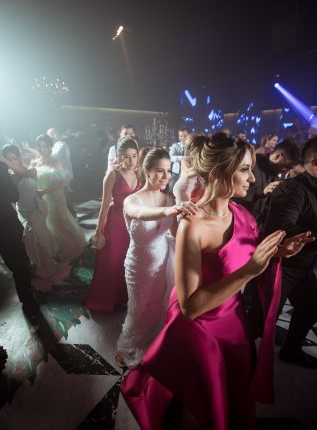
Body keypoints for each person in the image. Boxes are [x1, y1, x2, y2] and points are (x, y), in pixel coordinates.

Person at [120, 134, 311, 430]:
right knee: (202, 407)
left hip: (234, 324)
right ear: (221, 172)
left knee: (232, 399)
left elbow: (246, 252)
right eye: (245, 170)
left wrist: (277, 251)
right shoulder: (192, 226)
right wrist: (251, 269)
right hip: (201, 332)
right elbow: (191, 306)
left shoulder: (242, 214)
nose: (253, 178)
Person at [115, 147, 198, 368]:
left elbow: (172, 233)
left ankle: (153, 346)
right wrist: (169, 211)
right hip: (138, 266)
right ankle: (129, 346)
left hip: (163, 262)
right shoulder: (132, 200)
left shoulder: (170, 198)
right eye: (160, 171)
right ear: (147, 170)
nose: (166, 176)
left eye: (169, 171)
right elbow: (141, 214)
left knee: (158, 306)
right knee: (139, 308)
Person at [264, 136, 317, 367]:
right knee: (262, 323)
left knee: (312, 304)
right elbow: (281, 230)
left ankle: (291, 350)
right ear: (315, 162)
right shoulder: (293, 189)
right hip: (280, 268)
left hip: (303, 269)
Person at [84, 138, 141, 311]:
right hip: (115, 222)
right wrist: (98, 232)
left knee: (127, 260)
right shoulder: (112, 174)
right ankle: (105, 299)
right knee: (112, 261)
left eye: (134, 156)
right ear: (119, 157)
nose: (130, 161)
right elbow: (103, 205)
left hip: (131, 223)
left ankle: (123, 296)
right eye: (126, 157)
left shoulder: (138, 173)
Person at [1, 144, 59, 281]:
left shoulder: (31, 170)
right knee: (30, 241)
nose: (11, 162)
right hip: (22, 212)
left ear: (19, 157)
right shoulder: (8, 177)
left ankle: (48, 263)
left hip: (36, 209)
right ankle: (41, 265)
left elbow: (24, 174)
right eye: (9, 159)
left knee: (41, 237)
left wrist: (5, 162)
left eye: (14, 158)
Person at [33, 134, 86, 264]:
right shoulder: (36, 161)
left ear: (50, 147)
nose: (41, 149)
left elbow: (62, 182)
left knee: (60, 224)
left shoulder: (54, 161)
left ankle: (71, 249)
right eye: (39, 146)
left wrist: (44, 191)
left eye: (44, 146)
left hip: (54, 198)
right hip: (41, 199)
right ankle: (55, 250)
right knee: (48, 226)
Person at [0, 160, 39, 324]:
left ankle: (27, 300)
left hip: (6, 225)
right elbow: (13, 195)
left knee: (19, 265)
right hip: (6, 226)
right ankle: (28, 301)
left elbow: (14, 195)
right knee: (18, 265)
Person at [236, 138, 300, 226]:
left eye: (290, 168)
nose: (286, 171)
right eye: (287, 166)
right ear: (278, 156)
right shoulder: (251, 163)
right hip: (239, 223)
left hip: (259, 229)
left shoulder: (280, 175)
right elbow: (233, 190)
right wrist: (262, 191)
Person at [47, 126, 75, 216]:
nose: (50, 137)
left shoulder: (61, 145)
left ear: (56, 134)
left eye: (51, 134)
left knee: (65, 195)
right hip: (58, 175)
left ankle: (72, 215)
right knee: (61, 196)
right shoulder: (54, 146)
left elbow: (54, 157)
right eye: (49, 135)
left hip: (64, 174)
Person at [169, 127, 190, 191]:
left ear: (189, 136)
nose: (183, 138)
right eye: (180, 136)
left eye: (185, 136)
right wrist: (182, 158)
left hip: (187, 174)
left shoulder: (191, 146)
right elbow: (170, 158)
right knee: (171, 190)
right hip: (176, 173)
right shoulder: (175, 146)